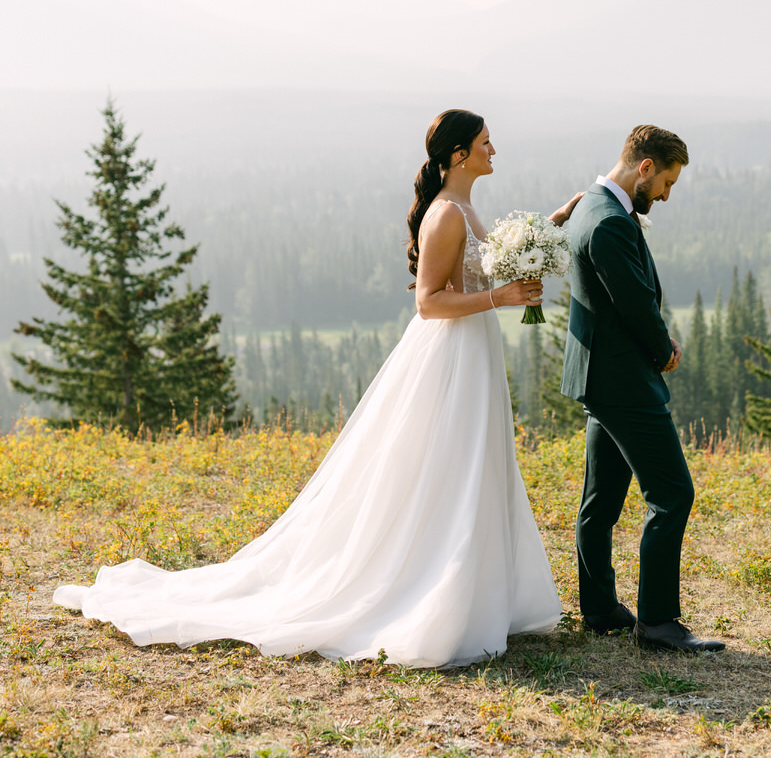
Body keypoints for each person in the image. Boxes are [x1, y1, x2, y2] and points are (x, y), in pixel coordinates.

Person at [54, 109, 577, 668]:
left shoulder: (465, 208)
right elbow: (428, 304)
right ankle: (433, 595)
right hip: (450, 354)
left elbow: (482, 267)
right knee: (446, 468)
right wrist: (501, 299)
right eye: (485, 142)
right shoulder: (445, 215)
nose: (493, 150)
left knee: (473, 467)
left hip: (475, 351)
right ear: (457, 154)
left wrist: (543, 232)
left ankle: (476, 593)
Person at [560, 124, 724, 653]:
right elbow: (635, 304)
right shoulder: (607, 221)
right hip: (624, 379)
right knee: (672, 493)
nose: (666, 196)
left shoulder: (589, 205)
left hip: (598, 376)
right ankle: (656, 623)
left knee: (600, 502)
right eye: (666, 183)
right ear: (644, 167)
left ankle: (600, 608)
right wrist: (665, 350)